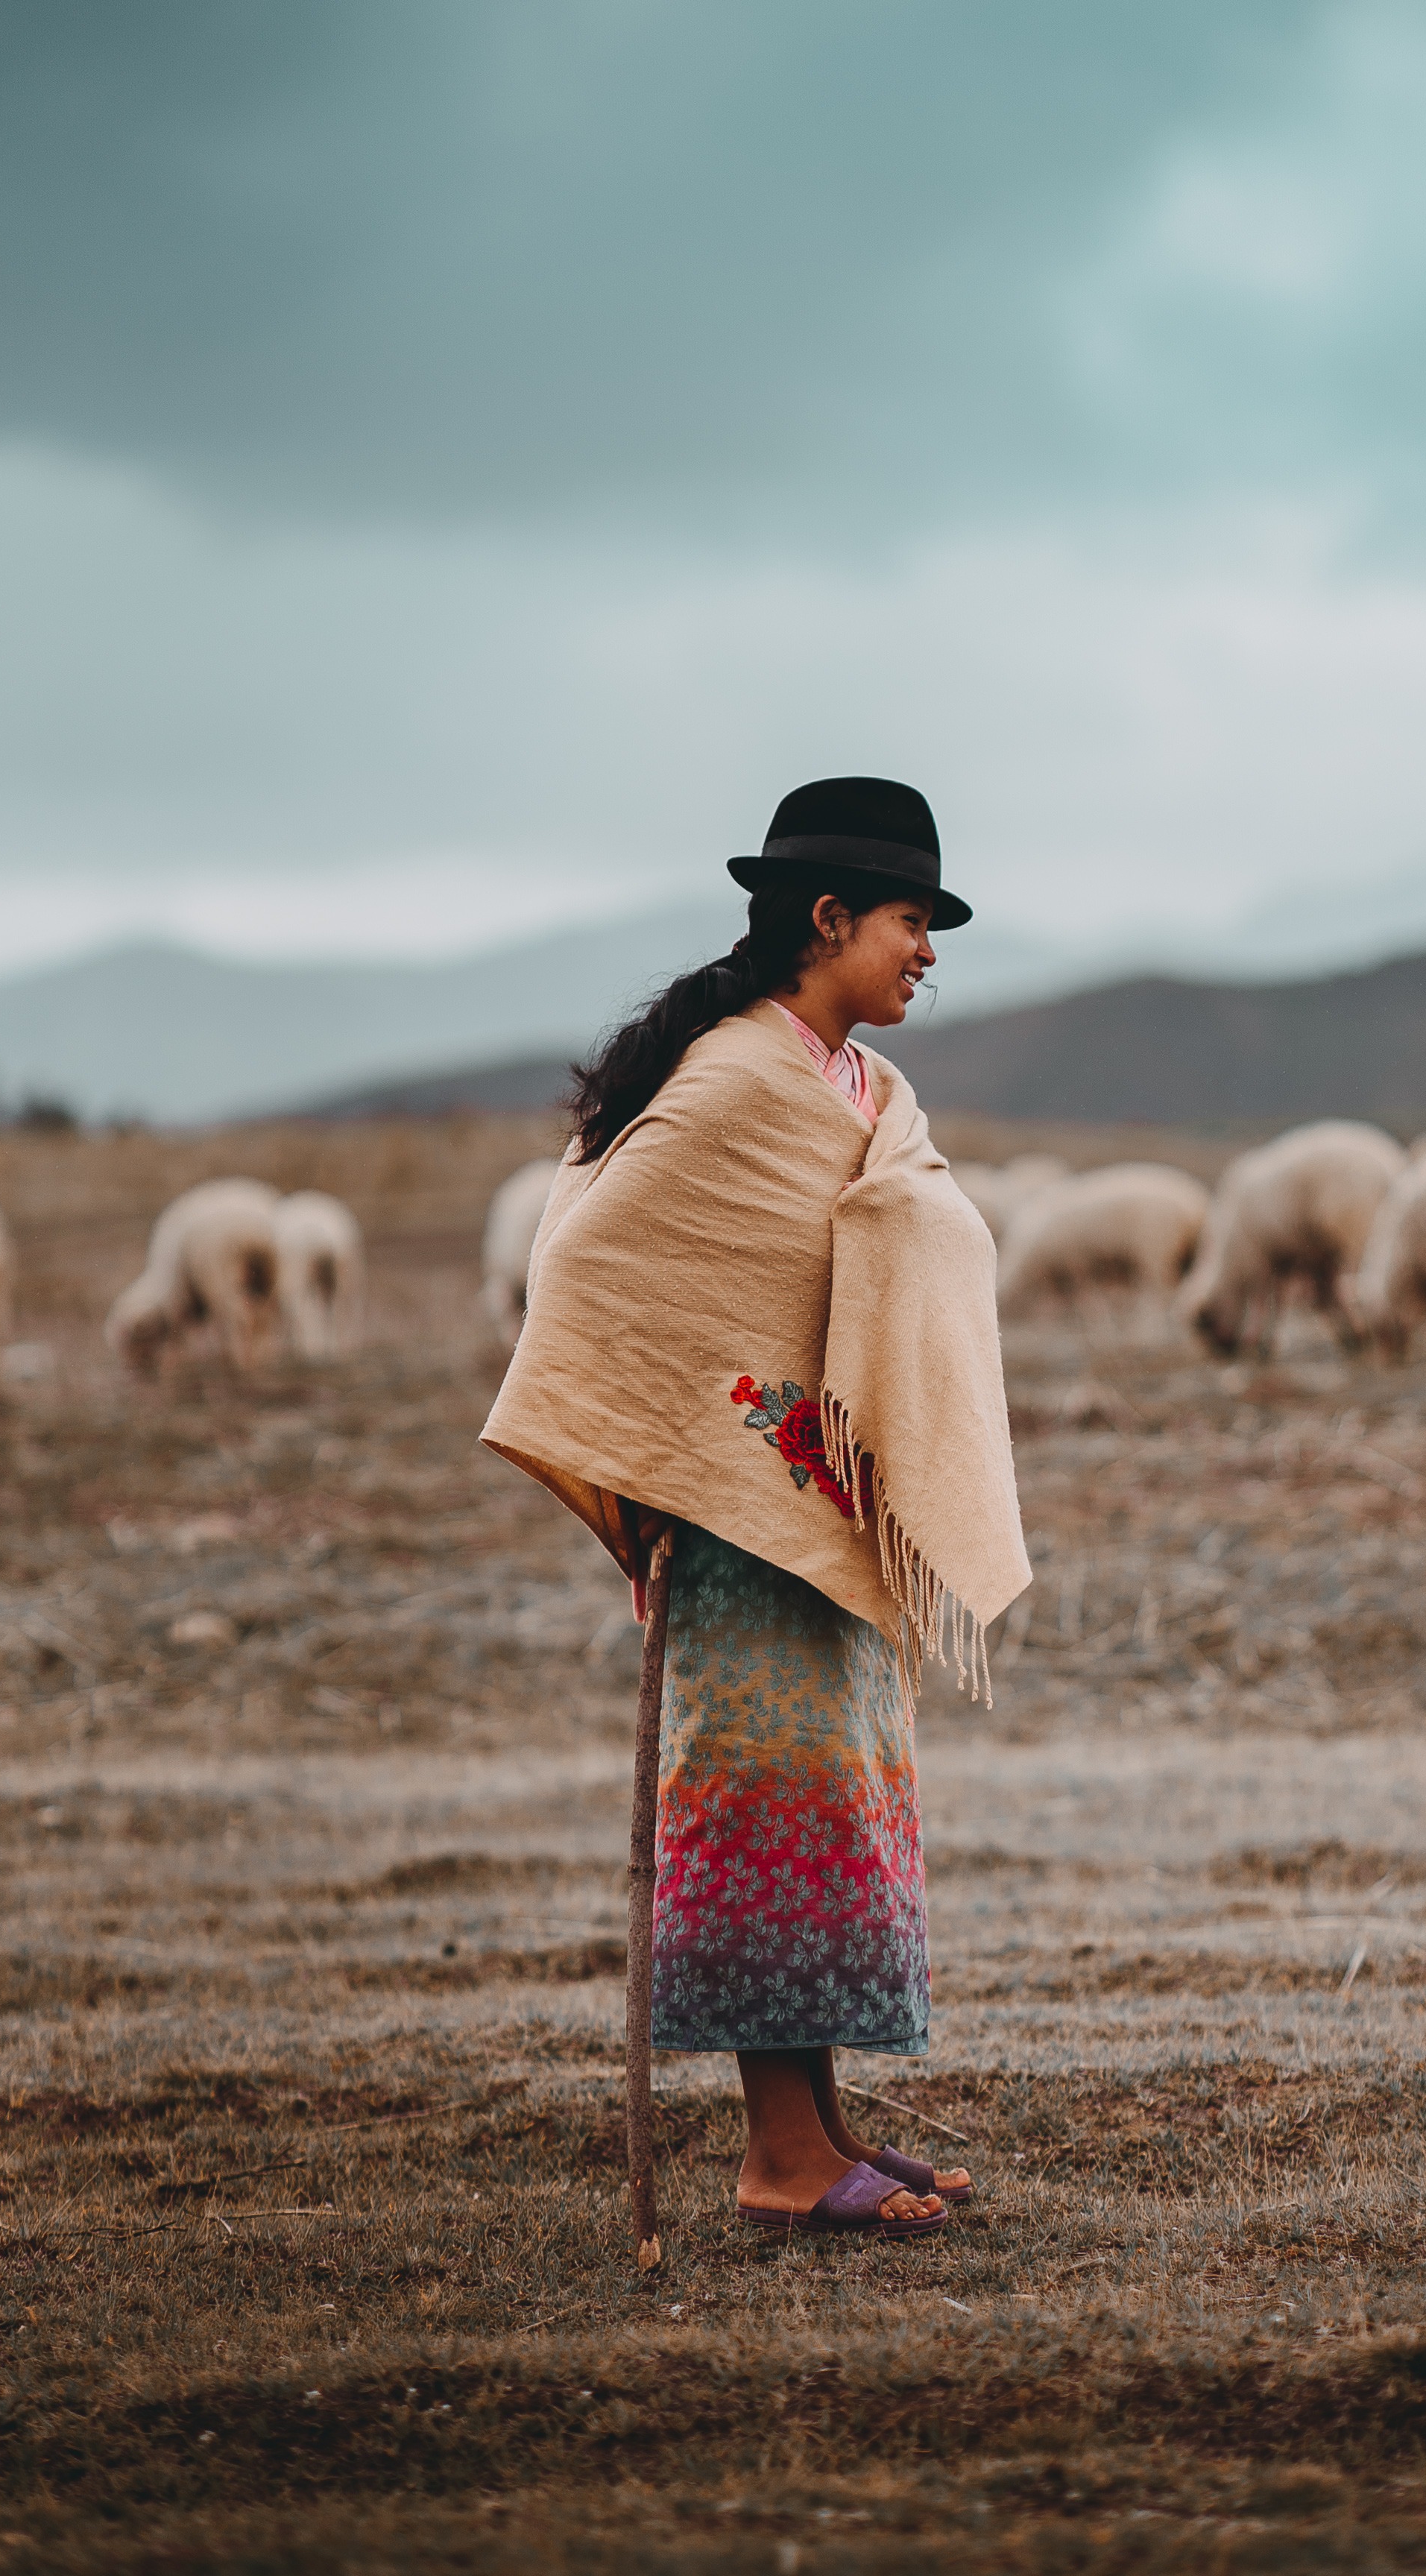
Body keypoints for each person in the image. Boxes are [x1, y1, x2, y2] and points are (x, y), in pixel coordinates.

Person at [482, 777, 1029, 2237]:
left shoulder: (859, 1086)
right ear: (829, 916)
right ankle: (779, 2156)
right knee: (769, 1818)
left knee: (836, 1816)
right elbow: (595, 1267)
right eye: (913, 920)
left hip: (827, 1522)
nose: (928, 948)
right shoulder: (733, 1076)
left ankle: (827, 2125)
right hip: (743, 1521)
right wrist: (686, 1456)